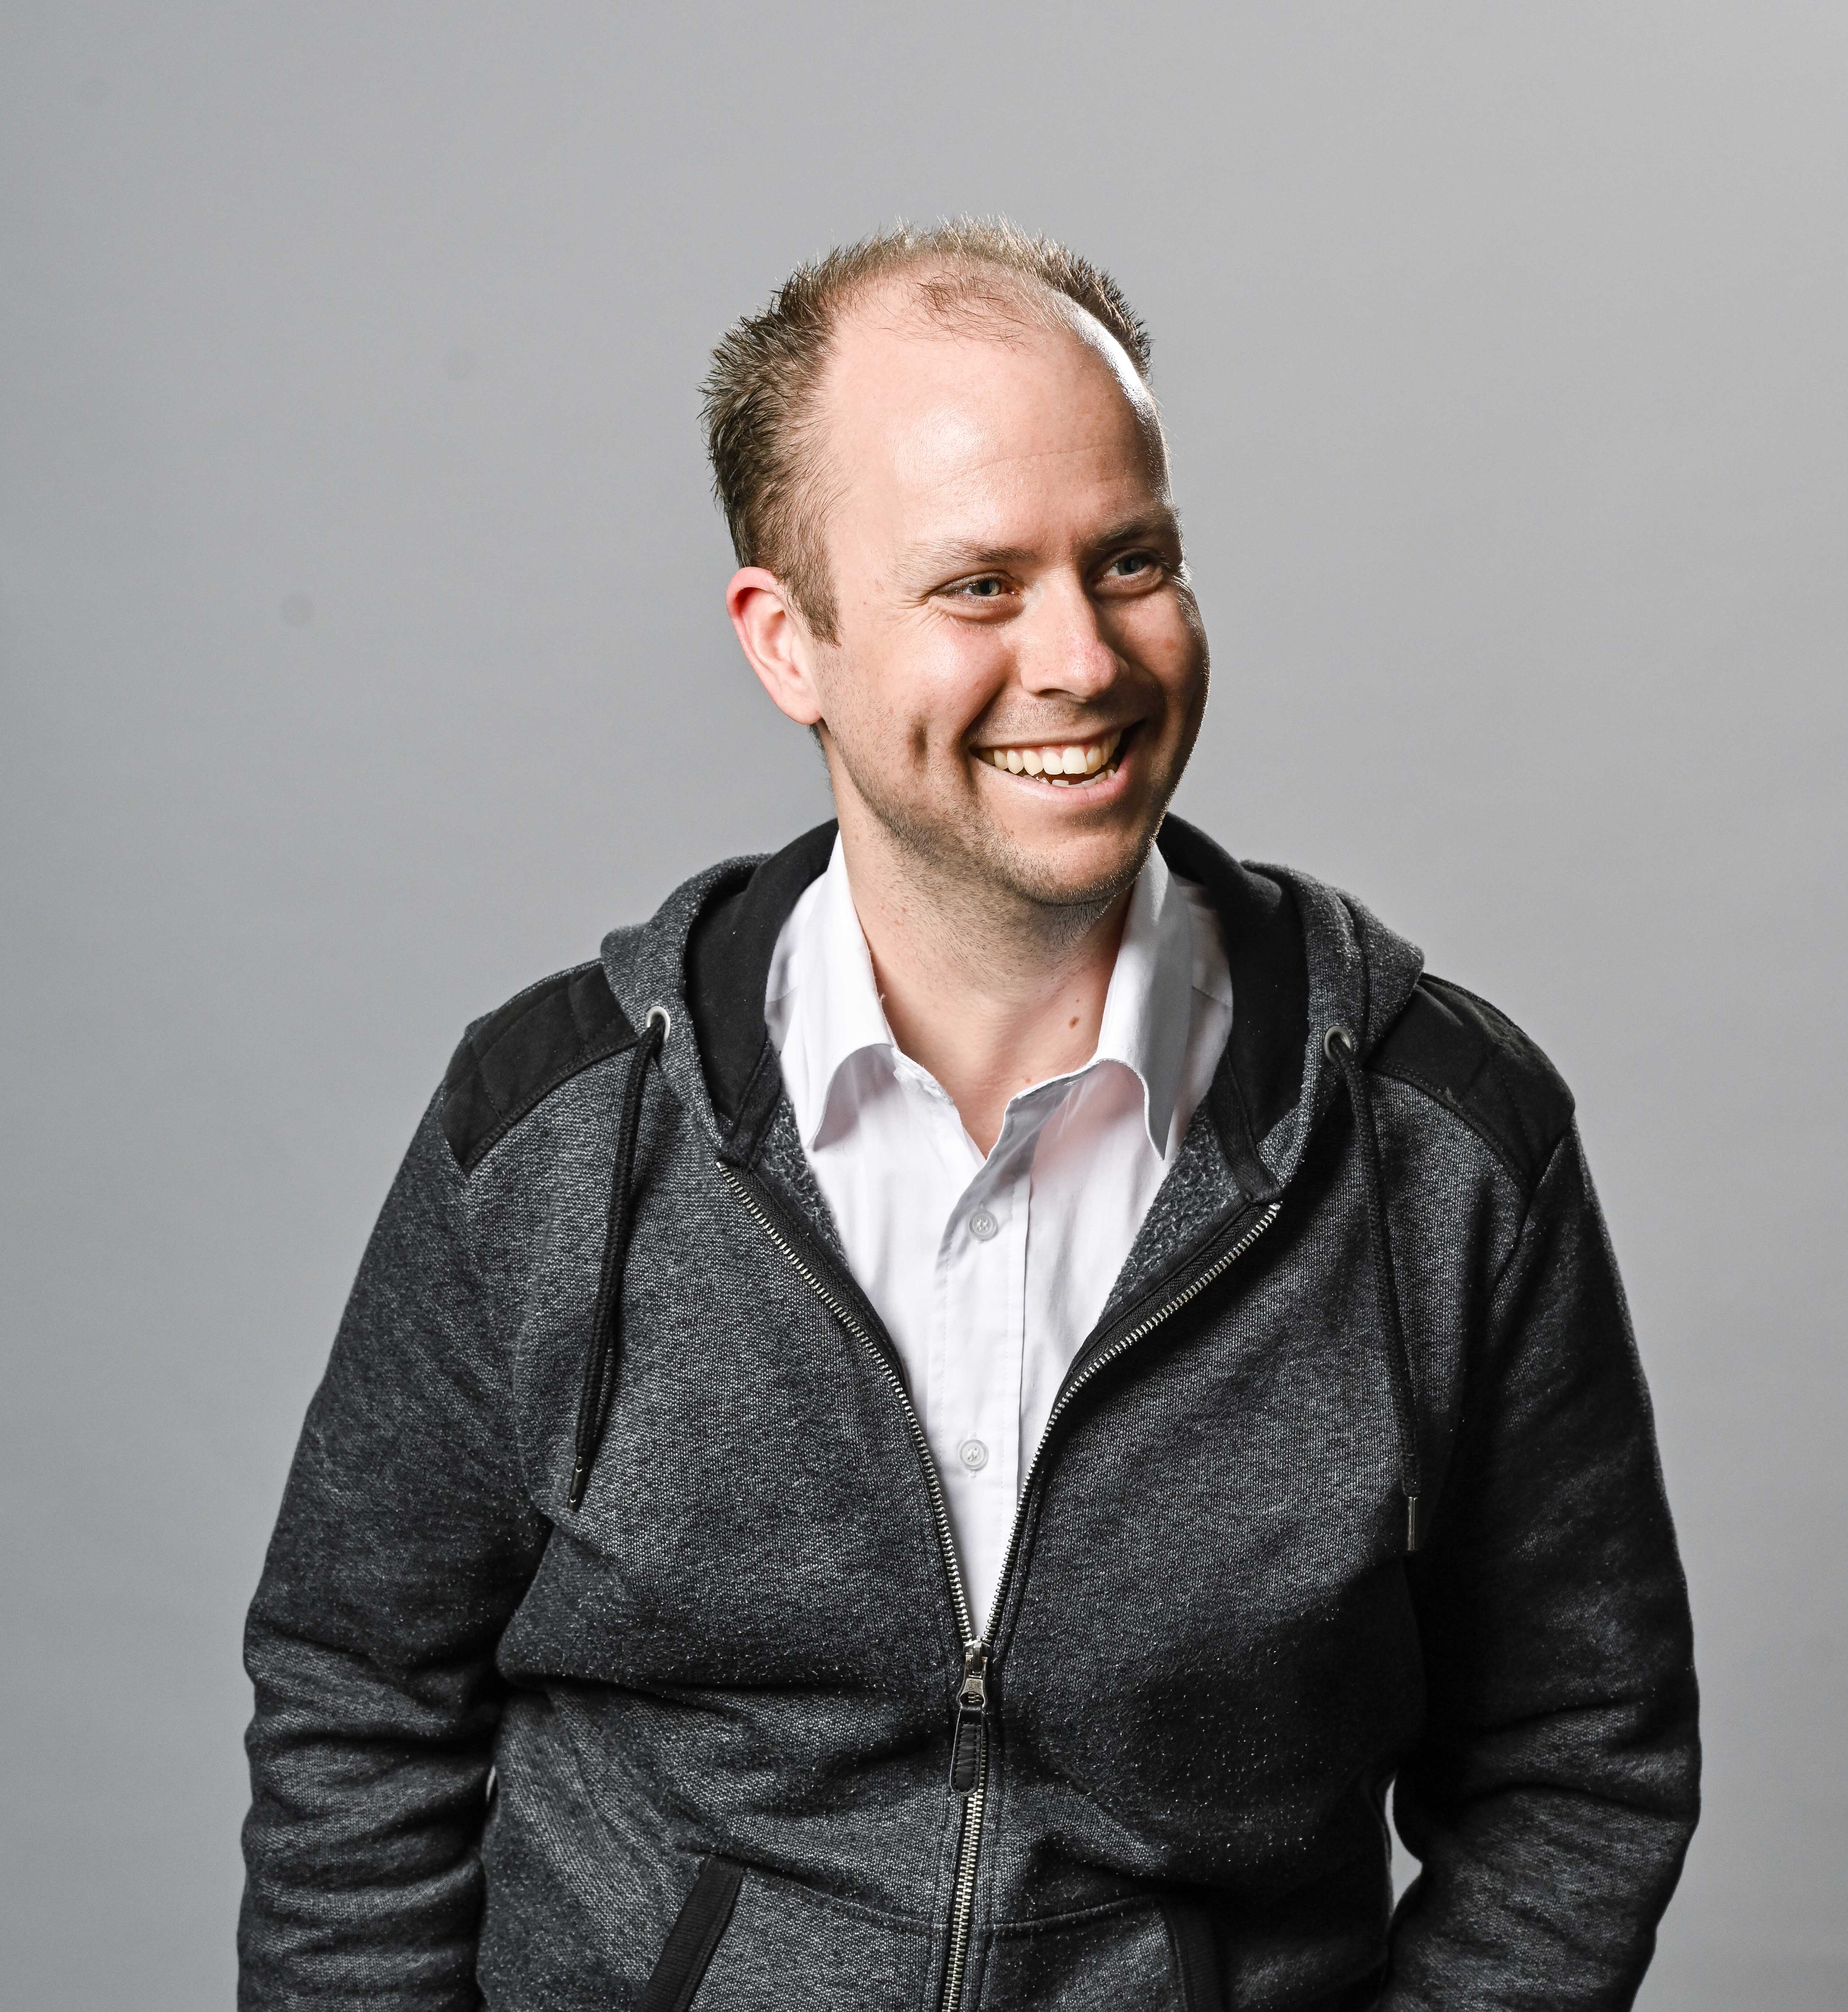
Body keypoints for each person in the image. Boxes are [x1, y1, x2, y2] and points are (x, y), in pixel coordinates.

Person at [239, 220, 1698, 2012]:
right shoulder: (548, 1134)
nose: (1080, 658)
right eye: (979, 585)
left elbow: (1577, 1757)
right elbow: (355, 1707)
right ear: (789, 644)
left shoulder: (1443, 1148)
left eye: (1130, 560)